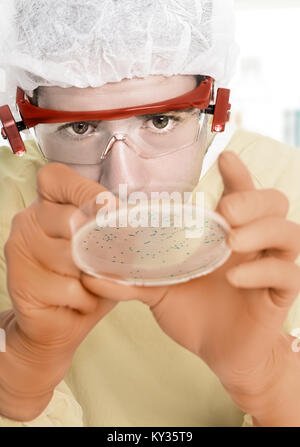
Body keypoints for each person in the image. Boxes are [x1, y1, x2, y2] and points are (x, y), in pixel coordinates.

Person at [0, 0, 300, 428]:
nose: (123, 181)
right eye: (80, 128)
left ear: (215, 111)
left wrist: (273, 380)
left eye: (160, 121)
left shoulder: (289, 187)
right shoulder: (5, 200)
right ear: (23, 125)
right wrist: (17, 376)